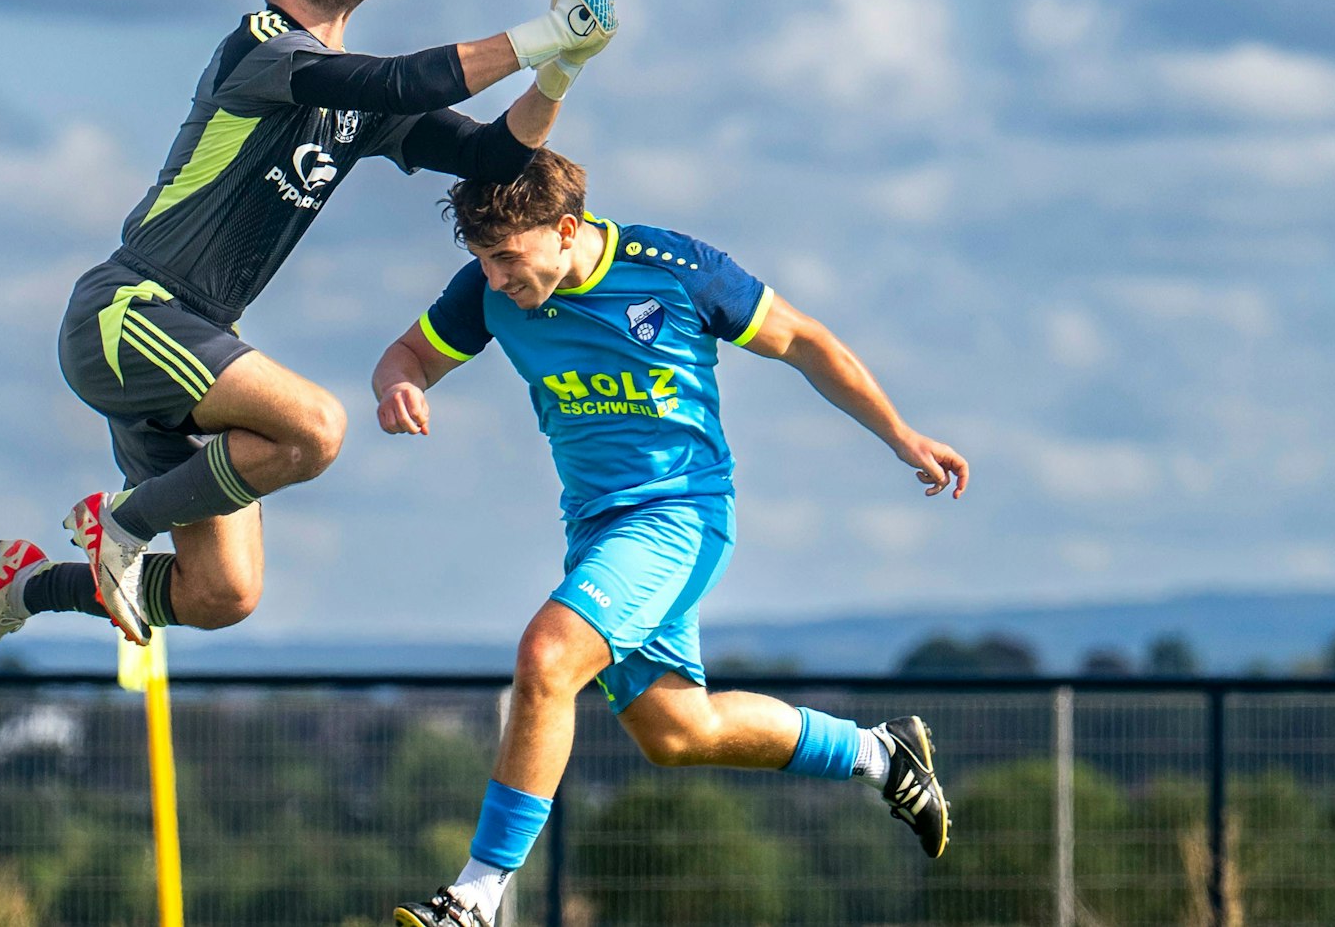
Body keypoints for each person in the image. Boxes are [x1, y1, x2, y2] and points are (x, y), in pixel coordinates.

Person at [0, 0, 619, 677]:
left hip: (192, 345)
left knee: (221, 594)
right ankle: (122, 524)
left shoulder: (355, 104)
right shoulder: (261, 47)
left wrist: (564, 66)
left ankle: (32, 587)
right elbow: (403, 79)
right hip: (133, 316)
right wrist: (546, 30)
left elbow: (490, 154)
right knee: (314, 427)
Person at [371, 150, 969, 927]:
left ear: (565, 230)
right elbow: (408, 350)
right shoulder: (486, 292)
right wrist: (400, 382)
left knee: (547, 657)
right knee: (677, 731)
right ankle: (879, 755)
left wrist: (899, 435)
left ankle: (476, 895)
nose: (494, 281)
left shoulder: (674, 268)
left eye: (507, 260)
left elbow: (804, 341)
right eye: (482, 262)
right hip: (594, 530)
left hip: (680, 518)